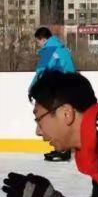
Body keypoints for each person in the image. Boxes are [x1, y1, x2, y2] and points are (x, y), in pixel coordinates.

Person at [31, 26, 76, 162]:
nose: (38, 44)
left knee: (54, 120)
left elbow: (41, 72)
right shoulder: (63, 50)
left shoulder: (49, 50)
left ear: (43, 39)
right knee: (62, 120)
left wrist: (32, 88)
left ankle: (62, 150)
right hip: (68, 88)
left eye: (38, 41)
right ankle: (64, 149)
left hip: (57, 90)